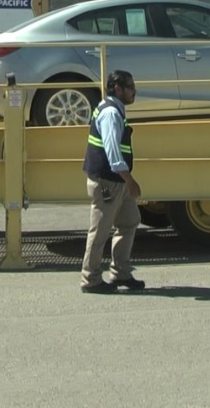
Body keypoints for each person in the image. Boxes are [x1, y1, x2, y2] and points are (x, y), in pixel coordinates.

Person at [80, 70, 145, 294]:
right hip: (109, 180)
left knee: (130, 221)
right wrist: (130, 181)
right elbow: (113, 153)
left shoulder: (115, 109)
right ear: (118, 88)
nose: (134, 90)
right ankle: (91, 279)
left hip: (116, 180)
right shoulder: (111, 114)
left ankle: (120, 273)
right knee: (100, 230)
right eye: (131, 86)